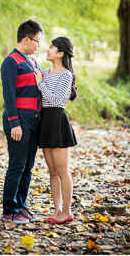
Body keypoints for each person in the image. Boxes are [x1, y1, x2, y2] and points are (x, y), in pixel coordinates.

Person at [1, 19, 43, 224]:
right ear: (25, 39)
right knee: (17, 165)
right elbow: (8, 95)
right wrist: (14, 123)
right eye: (36, 41)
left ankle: (21, 206)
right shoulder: (11, 61)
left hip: (34, 120)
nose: (38, 45)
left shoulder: (34, 61)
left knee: (28, 166)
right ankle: (9, 209)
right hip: (18, 121)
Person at [33, 37, 78, 224]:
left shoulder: (66, 75)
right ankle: (57, 210)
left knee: (62, 170)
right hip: (45, 121)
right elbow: (45, 98)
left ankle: (67, 211)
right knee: (52, 170)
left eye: (51, 47)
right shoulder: (44, 72)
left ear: (60, 53)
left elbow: (57, 101)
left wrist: (40, 83)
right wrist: (40, 82)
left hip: (57, 120)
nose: (47, 49)